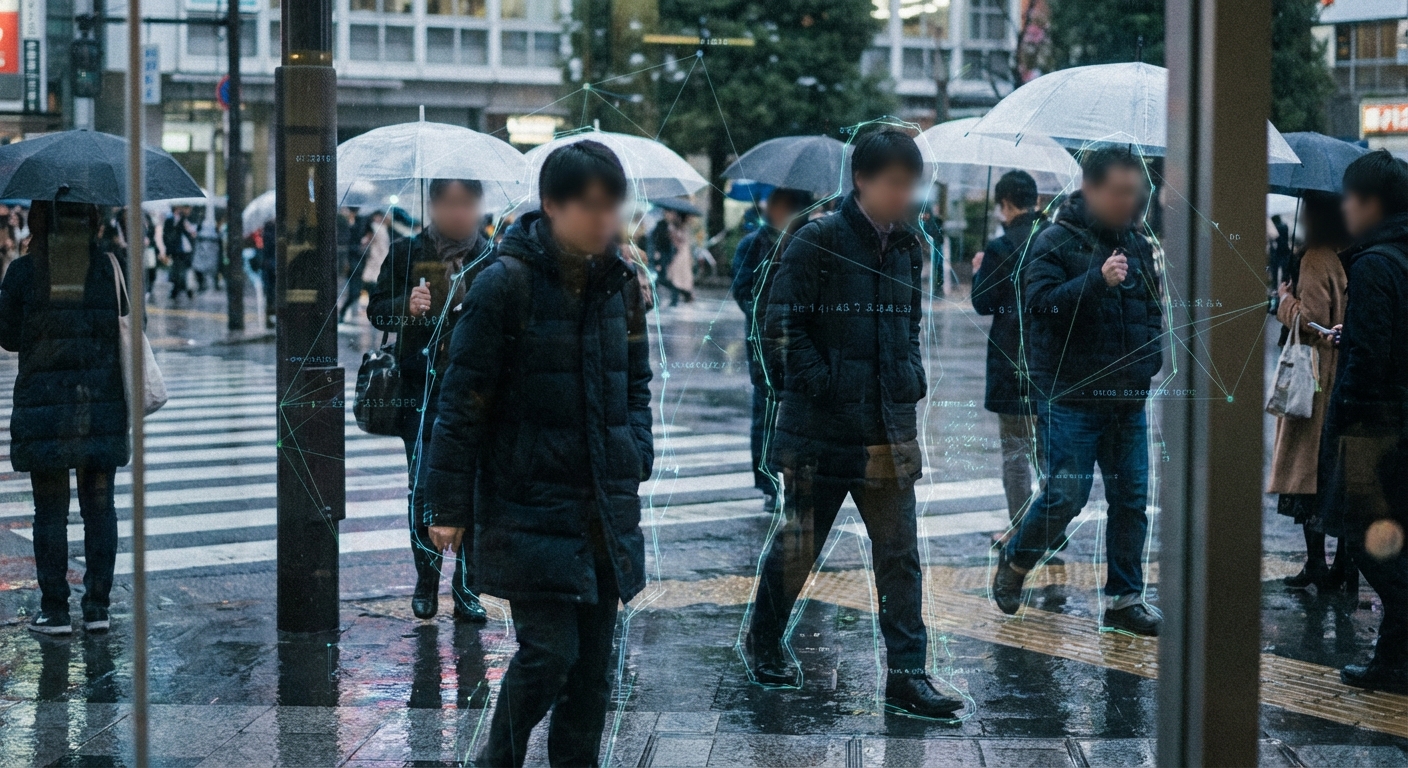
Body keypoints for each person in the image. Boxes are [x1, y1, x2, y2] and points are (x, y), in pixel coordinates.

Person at [425, 140, 653, 766]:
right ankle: (496, 758)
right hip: (529, 501)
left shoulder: (621, 284)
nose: (604, 219)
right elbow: (461, 400)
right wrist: (447, 504)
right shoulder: (504, 283)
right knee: (550, 654)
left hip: (602, 502)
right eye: (590, 205)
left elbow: (637, 381)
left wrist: (637, 446)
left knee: (592, 674)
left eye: (613, 206)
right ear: (552, 205)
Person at [746, 129, 962, 719]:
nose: (905, 194)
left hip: (888, 426)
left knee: (899, 553)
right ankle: (764, 640)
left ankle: (908, 674)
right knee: (800, 544)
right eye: (895, 182)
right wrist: (826, 383)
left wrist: (910, 375)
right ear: (863, 180)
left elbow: (909, 325)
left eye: (911, 183)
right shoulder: (815, 238)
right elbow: (779, 325)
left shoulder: (907, 247)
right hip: (821, 427)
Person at [990, 146, 1164, 637]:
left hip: (1127, 398)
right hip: (1070, 395)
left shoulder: (1138, 242)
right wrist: (1096, 281)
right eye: (1120, 192)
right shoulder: (1052, 241)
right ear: (1091, 188)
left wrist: (1149, 360)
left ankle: (1125, 599)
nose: (1130, 202)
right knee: (1065, 495)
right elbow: (1038, 308)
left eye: (1136, 192)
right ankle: (1017, 558)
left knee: (1131, 498)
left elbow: (1153, 309)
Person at [0, 201, 129, 635]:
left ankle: (54, 609)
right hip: (98, 403)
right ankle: (97, 607)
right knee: (100, 507)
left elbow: (10, 339)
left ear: (38, 220)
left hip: (45, 406)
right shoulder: (110, 266)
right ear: (91, 220)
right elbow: (128, 324)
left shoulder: (23, 271)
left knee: (49, 512)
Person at [367, 179, 491, 623]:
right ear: (434, 205)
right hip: (422, 392)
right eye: (450, 203)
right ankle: (427, 580)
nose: (459, 213)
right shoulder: (406, 252)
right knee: (424, 488)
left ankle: (467, 586)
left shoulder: (491, 256)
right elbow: (377, 309)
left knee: (476, 489)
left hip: (478, 394)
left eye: (467, 203)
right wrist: (408, 306)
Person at [1321, 150, 1408, 694]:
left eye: (1350, 199)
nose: (1345, 209)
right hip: (1401, 421)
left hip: (1374, 428)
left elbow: (1372, 357)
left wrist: (1347, 417)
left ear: (1371, 203)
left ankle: (1395, 658)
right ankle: (1392, 661)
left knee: (1366, 542)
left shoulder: (1376, 264)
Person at [1269, 190, 1353, 593]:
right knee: (1332, 476)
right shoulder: (1343, 254)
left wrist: (1285, 302)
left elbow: (1314, 320)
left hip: (1314, 380)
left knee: (1310, 476)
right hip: (1335, 378)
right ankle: (1341, 566)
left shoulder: (1315, 257)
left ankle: (1318, 564)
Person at [971, 170, 1048, 542]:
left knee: (1016, 453)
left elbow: (982, 303)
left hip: (1011, 361)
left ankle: (1021, 528)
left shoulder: (1001, 248)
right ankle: (1051, 523)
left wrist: (978, 271)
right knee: (1047, 451)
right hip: (1051, 360)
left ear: (1004, 204)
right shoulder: (1054, 239)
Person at [731, 187, 813, 511]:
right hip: (764, 343)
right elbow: (741, 290)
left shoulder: (811, 240)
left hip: (803, 341)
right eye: (775, 205)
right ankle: (768, 483)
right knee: (764, 414)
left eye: (787, 206)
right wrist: (764, 313)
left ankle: (797, 480)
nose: (779, 211)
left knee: (800, 414)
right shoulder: (753, 245)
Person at [163, 205, 196, 302]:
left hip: (184, 249)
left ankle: (181, 290)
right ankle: (179, 290)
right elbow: (168, 233)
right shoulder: (171, 219)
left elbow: (190, 232)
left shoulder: (184, 219)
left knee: (183, 271)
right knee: (178, 271)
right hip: (177, 249)